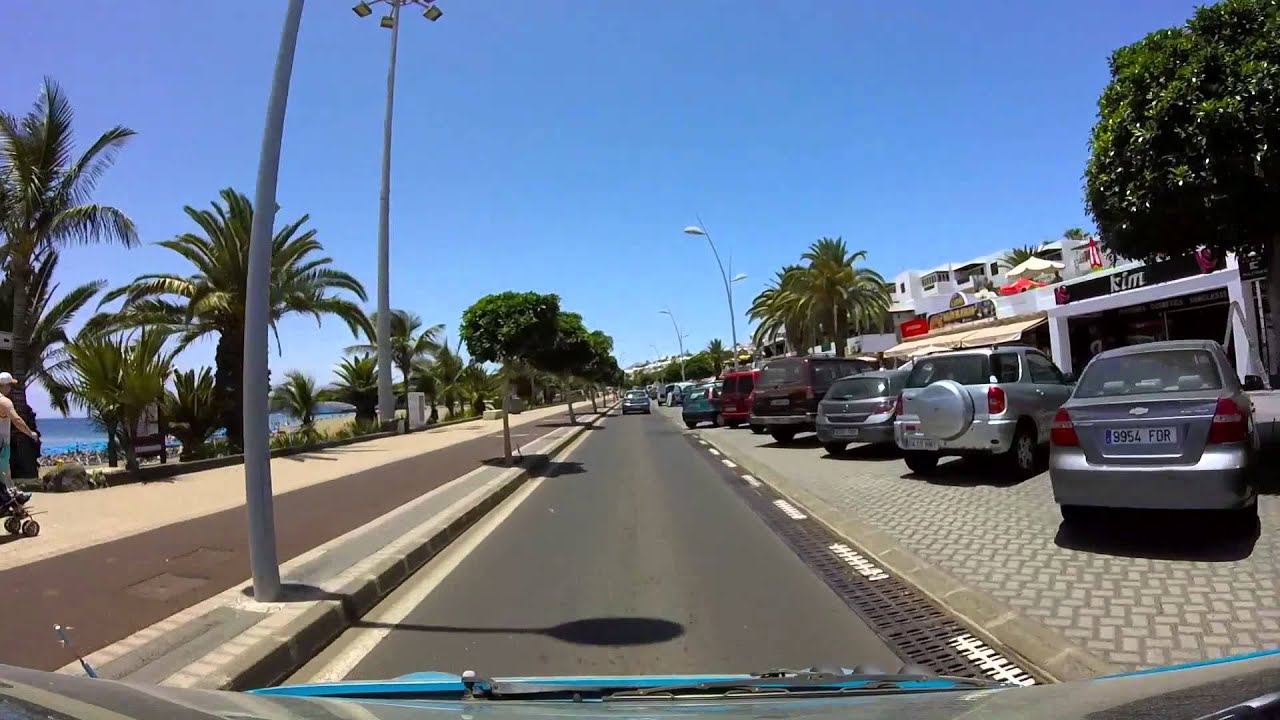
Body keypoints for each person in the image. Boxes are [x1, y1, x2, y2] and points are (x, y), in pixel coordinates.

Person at [0, 372, 37, 507]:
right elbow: (17, 420)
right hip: (2, 443)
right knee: (4, 471)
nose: (10, 388)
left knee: (4, 472)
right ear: (4, 386)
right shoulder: (5, 402)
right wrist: (30, 433)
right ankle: (13, 499)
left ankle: (11, 497)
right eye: (9, 385)